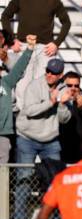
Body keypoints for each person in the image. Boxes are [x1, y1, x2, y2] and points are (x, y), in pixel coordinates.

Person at [14, 58, 71, 219]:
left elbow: (65, 119)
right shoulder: (34, 85)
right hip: (27, 137)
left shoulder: (64, 89)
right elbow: (29, 111)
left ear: (60, 75)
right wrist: (51, 102)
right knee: (24, 178)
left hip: (50, 139)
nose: (49, 75)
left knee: (56, 181)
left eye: (54, 73)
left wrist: (61, 104)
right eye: (48, 71)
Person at [1, 0, 71, 110]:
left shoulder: (54, 1)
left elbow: (66, 22)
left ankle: (42, 117)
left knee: (43, 86)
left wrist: (56, 43)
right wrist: (11, 41)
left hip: (45, 49)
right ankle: (21, 119)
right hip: (24, 46)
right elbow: (5, 16)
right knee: (22, 85)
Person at [0, 34, 35, 164]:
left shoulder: (5, 82)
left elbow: (19, 69)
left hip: (2, 132)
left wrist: (29, 49)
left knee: (2, 169)